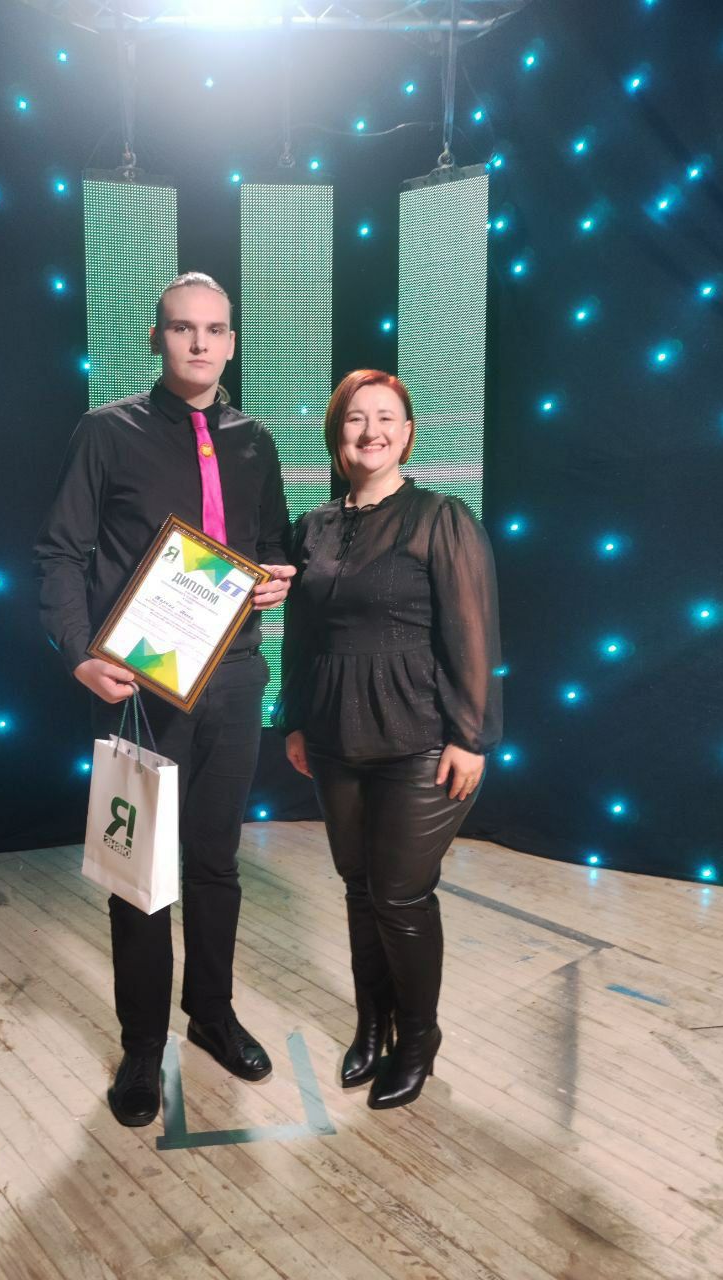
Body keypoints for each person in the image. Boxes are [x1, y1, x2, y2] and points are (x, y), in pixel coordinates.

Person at [35, 272, 294, 1127]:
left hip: (236, 677)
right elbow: (61, 552)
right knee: (140, 873)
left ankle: (211, 1015)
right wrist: (80, 654)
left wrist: (279, 578)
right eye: (183, 328)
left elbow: (271, 545)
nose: (199, 342)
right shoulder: (105, 431)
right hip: (142, 687)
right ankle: (143, 1045)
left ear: (232, 343)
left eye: (215, 329)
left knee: (217, 864)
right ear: (157, 338)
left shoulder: (256, 441)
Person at [277, 369, 502, 1110]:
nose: (369, 431)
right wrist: (296, 718)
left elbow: (472, 632)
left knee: (400, 896)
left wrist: (471, 736)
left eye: (385, 418)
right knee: (358, 888)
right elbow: (303, 633)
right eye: (354, 419)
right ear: (336, 436)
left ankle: (418, 1039)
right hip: (332, 734)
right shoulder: (312, 527)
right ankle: (371, 1025)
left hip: (420, 738)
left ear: (406, 434)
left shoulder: (441, 518)